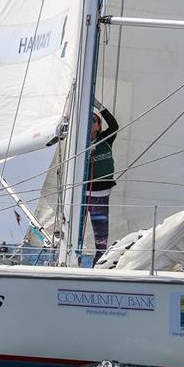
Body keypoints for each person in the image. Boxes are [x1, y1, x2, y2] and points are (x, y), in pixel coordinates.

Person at [85, 98, 118, 264]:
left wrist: (99, 106)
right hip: (80, 194)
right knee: (71, 232)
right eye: (87, 119)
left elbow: (114, 126)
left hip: (100, 193)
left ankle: (96, 265)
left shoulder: (106, 139)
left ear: (98, 125)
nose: (90, 123)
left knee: (101, 238)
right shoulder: (78, 145)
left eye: (93, 120)